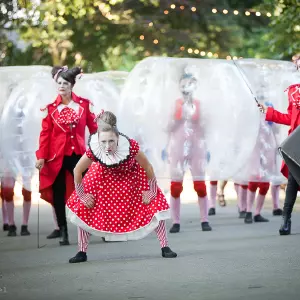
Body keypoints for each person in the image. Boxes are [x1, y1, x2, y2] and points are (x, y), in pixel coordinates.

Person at [67, 111, 177, 263]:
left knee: (155, 203)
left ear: (118, 137)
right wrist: (82, 195)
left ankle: (165, 246)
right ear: (98, 138)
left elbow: (148, 168)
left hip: (131, 176)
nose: (107, 146)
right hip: (102, 179)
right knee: (84, 207)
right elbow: (77, 170)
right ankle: (81, 251)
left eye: (111, 141)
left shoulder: (130, 146)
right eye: (103, 141)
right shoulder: (94, 149)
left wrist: (151, 191)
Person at [35, 66, 97, 245]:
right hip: (56, 157)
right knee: (58, 192)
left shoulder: (84, 105)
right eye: (59, 83)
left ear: (72, 86)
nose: (61, 86)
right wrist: (41, 156)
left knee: (89, 189)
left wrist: (99, 150)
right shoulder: (50, 109)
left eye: (65, 83)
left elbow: (93, 130)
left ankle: (94, 225)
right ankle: (63, 231)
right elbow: (45, 135)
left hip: (79, 155)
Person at [258, 56, 300, 235]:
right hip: (296, 142)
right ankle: (286, 220)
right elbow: (289, 119)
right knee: (292, 179)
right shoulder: (293, 91)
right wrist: (269, 112)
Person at [168, 71, 212, 233]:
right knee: (175, 187)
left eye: (190, 83)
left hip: (196, 148)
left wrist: (208, 147)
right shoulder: (175, 104)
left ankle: (204, 220)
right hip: (178, 148)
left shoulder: (200, 104)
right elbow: (167, 127)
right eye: (184, 83)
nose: (187, 87)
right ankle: (176, 222)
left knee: (200, 185)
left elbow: (206, 127)